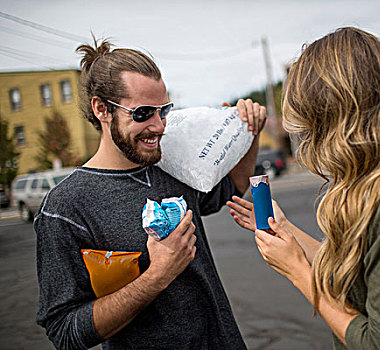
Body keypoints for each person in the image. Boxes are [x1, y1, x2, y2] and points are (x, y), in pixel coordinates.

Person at [227, 27, 380, 349]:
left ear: (335, 115)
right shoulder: (367, 180)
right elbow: (357, 272)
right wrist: (286, 232)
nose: (308, 136)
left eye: (311, 122)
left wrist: (297, 271)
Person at [35, 38, 265, 349]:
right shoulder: (66, 206)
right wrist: (157, 276)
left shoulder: (170, 164)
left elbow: (232, 188)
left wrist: (250, 132)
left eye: (163, 111)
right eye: (143, 113)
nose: (158, 126)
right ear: (101, 109)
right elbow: (66, 332)